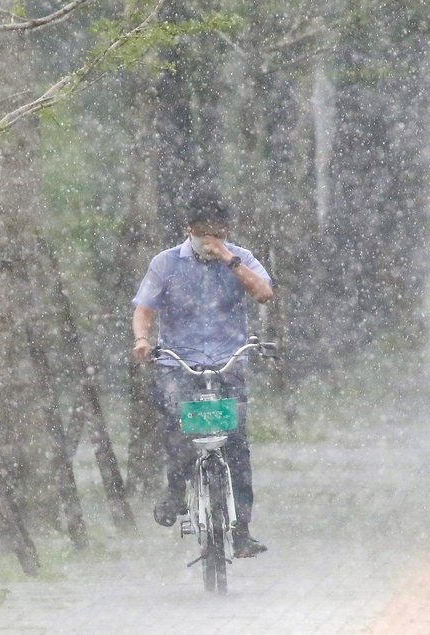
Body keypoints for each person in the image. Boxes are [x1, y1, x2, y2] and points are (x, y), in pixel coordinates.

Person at [131, 192, 274, 558]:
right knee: (178, 433)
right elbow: (144, 306)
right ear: (188, 230)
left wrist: (230, 260)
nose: (209, 240)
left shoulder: (240, 257)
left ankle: (241, 531)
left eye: (218, 233)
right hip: (179, 362)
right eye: (203, 233)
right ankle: (175, 489)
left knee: (236, 444)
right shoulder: (165, 264)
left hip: (228, 361)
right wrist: (142, 339)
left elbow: (263, 293)